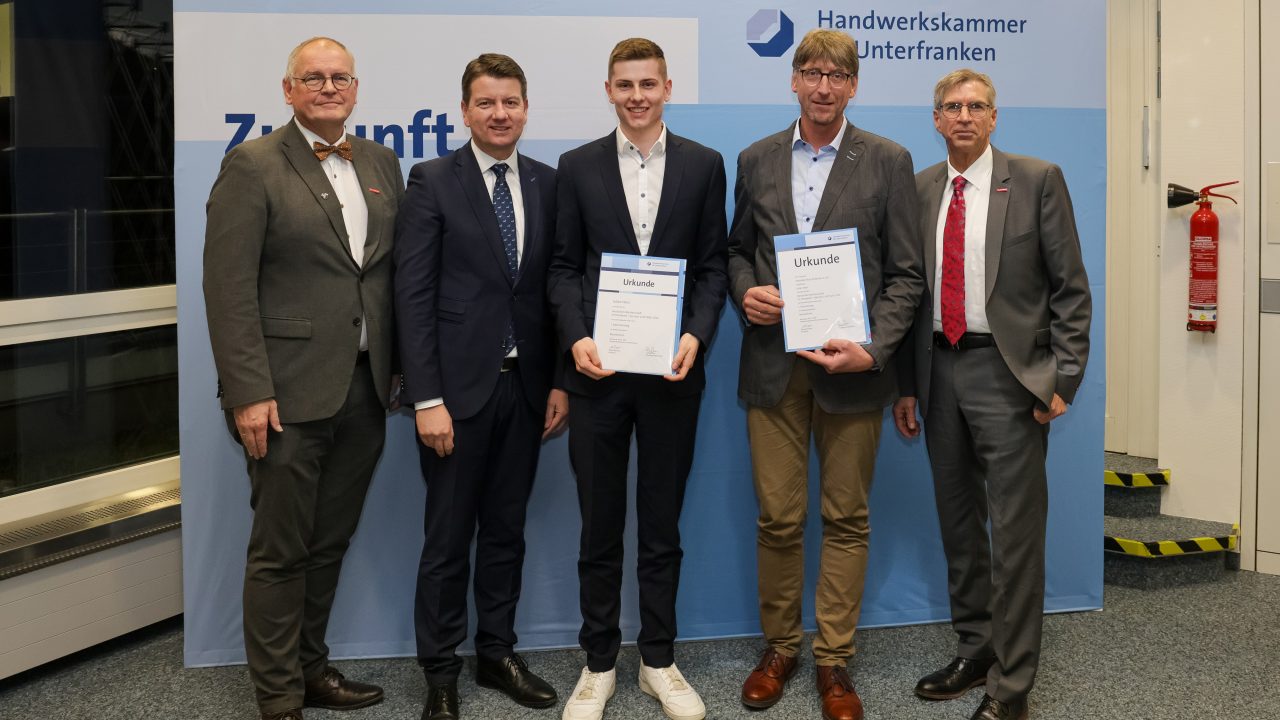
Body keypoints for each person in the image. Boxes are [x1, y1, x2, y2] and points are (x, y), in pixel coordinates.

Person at [202, 36, 403, 720]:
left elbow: (388, 275)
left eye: (339, 77)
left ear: (356, 89)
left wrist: (401, 370)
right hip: (284, 395)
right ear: (288, 91)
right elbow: (228, 289)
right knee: (280, 552)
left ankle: (312, 669)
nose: (327, 87)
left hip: (365, 390)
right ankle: (279, 696)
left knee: (329, 543)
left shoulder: (380, 161)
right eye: (312, 78)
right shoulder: (252, 164)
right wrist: (248, 392)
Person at [726, 28, 924, 720]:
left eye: (837, 76)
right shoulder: (755, 158)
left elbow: (906, 274)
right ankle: (780, 648)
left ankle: (834, 657)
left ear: (854, 86)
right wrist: (745, 291)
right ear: (794, 80)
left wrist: (875, 349)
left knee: (846, 517)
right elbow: (736, 251)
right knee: (778, 519)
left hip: (854, 372)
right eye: (811, 73)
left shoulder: (889, 160)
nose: (823, 87)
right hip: (773, 367)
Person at [894, 69, 1091, 720]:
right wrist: (906, 386)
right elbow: (909, 293)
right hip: (938, 373)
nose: (964, 116)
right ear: (936, 119)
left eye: (976, 106)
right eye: (952, 107)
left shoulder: (1036, 180)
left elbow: (1070, 289)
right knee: (959, 527)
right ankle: (976, 649)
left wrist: (1062, 378)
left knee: (1014, 536)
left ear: (994, 117)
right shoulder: (920, 188)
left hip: (1010, 376)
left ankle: (1012, 686)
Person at [547, 37, 728, 720]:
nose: (637, 96)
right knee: (599, 527)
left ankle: (658, 661)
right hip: (597, 373)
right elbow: (563, 268)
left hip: (672, 375)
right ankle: (598, 664)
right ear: (609, 90)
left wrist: (696, 335)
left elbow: (713, 267)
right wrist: (577, 337)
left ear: (667, 88)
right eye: (625, 85)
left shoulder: (704, 165)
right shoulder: (577, 166)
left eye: (648, 84)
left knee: (661, 527)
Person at [393, 53, 567, 720]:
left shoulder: (549, 183)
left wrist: (559, 383)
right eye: (487, 103)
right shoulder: (433, 180)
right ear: (465, 111)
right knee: (446, 542)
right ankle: (440, 673)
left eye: (511, 102)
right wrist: (426, 399)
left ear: (525, 108)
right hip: (455, 398)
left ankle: (496, 654)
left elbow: (554, 291)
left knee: (505, 532)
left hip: (525, 390)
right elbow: (412, 297)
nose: (500, 114)